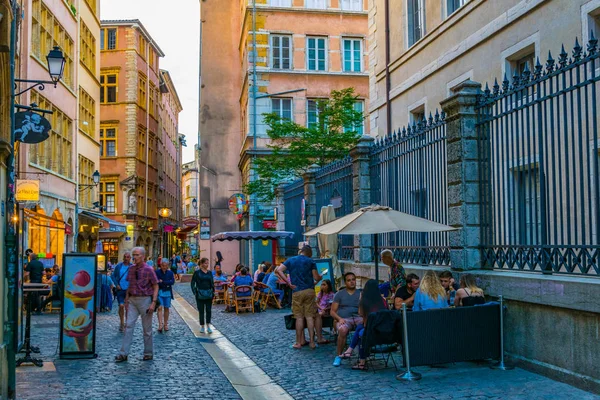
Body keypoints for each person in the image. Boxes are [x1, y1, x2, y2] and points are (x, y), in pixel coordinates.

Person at [115, 247, 159, 363]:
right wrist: (126, 300)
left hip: (145, 300)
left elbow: (155, 285)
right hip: (133, 300)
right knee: (128, 326)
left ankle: (148, 353)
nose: (134, 257)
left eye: (137, 255)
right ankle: (123, 353)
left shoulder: (149, 269)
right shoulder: (131, 269)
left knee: (147, 329)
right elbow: (130, 285)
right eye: (134, 254)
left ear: (143, 256)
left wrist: (153, 302)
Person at [275, 245, 322, 350]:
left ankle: (298, 342)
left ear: (301, 251)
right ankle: (312, 342)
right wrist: (320, 277)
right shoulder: (311, 261)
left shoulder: (291, 260)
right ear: (309, 253)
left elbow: (279, 270)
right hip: (309, 290)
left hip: (297, 291)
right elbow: (316, 277)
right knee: (310, 316)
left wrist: (288, 283)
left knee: (299, 317)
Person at [342, 279, 388, 370]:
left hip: (373, 333)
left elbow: (361, 315)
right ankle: (350, 350)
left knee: (361, 334)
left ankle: (361, 361)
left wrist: (360, 299)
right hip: (384, 331)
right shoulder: (383, 301)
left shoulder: (365, 302)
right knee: (360, 327)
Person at [331, 272, 362, 366]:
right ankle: (338, 355)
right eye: (349, 280)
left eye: (353, 279)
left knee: (366, 326)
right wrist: (339, 319)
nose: (352, 282)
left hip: (358, 318)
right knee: (343, 329)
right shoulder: (339, 294)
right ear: (345, 282)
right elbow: (332, 311)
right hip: (344, 319)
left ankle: (363, 356)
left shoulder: (360, 293)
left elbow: (364, 310)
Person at [191, 257, 215, 333]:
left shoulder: (209, 272)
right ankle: (202, 326)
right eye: (205, 263)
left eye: (208, 263)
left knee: (208, 310)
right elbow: (192, 283)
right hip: (200, 293)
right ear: (201, 264)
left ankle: (208, 325)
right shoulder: (197, 272)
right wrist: (195, 292)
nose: (207, 265)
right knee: (201, 311)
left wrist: (213, 292)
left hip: (208, 293)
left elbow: (212, 283)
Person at [112, 252, 133, 332]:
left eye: (128, 257)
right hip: (120, 289)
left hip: (129, 290)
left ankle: (127, 323)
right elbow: (113, 276)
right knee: (121, 305)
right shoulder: (119, 266)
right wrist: (116, 284)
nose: (126, 258)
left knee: (127, 307)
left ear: (130, 258)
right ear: (123, 257)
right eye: (125, 257)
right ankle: (121, 322)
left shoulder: (132, 267)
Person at [156, 259, 175, 333]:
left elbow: (172, 282)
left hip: (168, 293)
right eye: (163, 265)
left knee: (166, 308)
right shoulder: (157, 272)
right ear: (160, 265)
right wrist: (166, 283)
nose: (164, 267)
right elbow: (156, 281)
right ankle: (160, 324)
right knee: (160, 308)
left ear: (167, 266)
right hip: (160, 292)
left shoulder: (170, 273)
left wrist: (163, 282)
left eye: (165, 266)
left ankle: (166, 324)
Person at [314, 279, 335, 345]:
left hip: (327, 311)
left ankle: (318, 333)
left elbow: (332, 305)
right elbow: (316, 303)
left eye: (324, 285)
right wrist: (321, 308)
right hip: (320, 309)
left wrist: (325, 309)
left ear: (328, 286)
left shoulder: (332, 294)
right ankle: (318, 332)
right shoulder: (320, 294)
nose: (322, 286)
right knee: (317, 314)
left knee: (319, 315)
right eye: (322, 285)